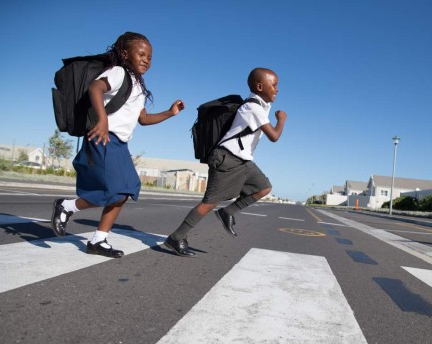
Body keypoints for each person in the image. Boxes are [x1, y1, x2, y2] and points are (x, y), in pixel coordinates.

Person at [51, 32, 185, 258]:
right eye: (141, 54)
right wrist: (102, 120)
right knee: (110, 190)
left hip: (120, 144)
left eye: (150, 57)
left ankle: (99, 240)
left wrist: (170, 113)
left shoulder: (140, 87)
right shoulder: (118, 72)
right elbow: (95, 88)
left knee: (126, 190)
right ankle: (67, 206)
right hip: (103, 136)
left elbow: (143, 119)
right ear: (125, 54)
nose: (146, 60)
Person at [164, 67, 287, 257]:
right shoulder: (253, 107)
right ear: (260, 86)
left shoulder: (261, 106)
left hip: (243, 161)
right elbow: (274, 136)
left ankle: (227, 212)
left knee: (263, 187)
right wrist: (281, 120)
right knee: (209, 203)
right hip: (227, 158)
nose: (277, 89)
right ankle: (176, 237)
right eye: (274, 85)